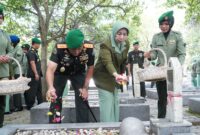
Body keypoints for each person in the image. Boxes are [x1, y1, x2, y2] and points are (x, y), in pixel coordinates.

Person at [46, 29, 94, 123]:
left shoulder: (89, 47)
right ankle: (55, 124)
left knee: (82, 97)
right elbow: (50, 69)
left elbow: (90, 68)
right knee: (56, 97)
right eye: (72, 49)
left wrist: (85, 88)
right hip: (61, 72)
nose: (76, 52)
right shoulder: (59, 46)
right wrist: (50, 87)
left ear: (83, 43)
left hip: (79, 72)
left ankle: (83, 125)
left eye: (79, 48)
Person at [144, 11, 186, 118]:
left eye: (166, 24)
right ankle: (161, 119)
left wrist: (178, 66)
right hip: (161, 72)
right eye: (161, 24)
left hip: (174, 72)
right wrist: (148, 55)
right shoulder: (156, 37)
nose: (164, 27)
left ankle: (174, 117)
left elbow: (182, 53)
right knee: (162, 98)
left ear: (170, 24)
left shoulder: (177, 36)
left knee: (174, 96)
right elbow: (154, 55)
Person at [93, 21, 130, 122]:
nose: (122, 37)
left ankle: (114, 127)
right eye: (119, 33)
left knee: (115, 102)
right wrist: (116, 75)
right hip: (103, 77)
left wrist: (123, 75)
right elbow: (107, 62)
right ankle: (106, 129)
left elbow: (123, 60)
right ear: (114, 33)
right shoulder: (106, 44)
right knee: (107, 103)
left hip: (116, 76)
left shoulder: (126, 43)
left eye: (124, 34)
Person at [0, 5, 14, 127]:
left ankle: (0, 125)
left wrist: (7, 56)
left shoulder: (5, 34)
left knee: (1, 101)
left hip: (3, 72)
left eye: (1, 17)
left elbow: (11, 50)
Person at [24, 38, 43, 110]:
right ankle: (30, 105)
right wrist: (36, 73)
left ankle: (41, 104)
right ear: (35, 44)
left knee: (39, 90)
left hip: (37, 74)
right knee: (32, 91)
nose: (39, 45)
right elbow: (32, 63)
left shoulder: (35, 52)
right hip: (33, 75)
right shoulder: (31, 52)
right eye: (39, 44)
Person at [9, 35, 24, 112]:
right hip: (14, 71)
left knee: (17, 90)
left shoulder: (18, 49)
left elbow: (17, 60)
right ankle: (16, 106)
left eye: (10, 42)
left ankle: (18, 106)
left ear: (13, 42)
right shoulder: (14, 48)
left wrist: (9, 65)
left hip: (17, 71)